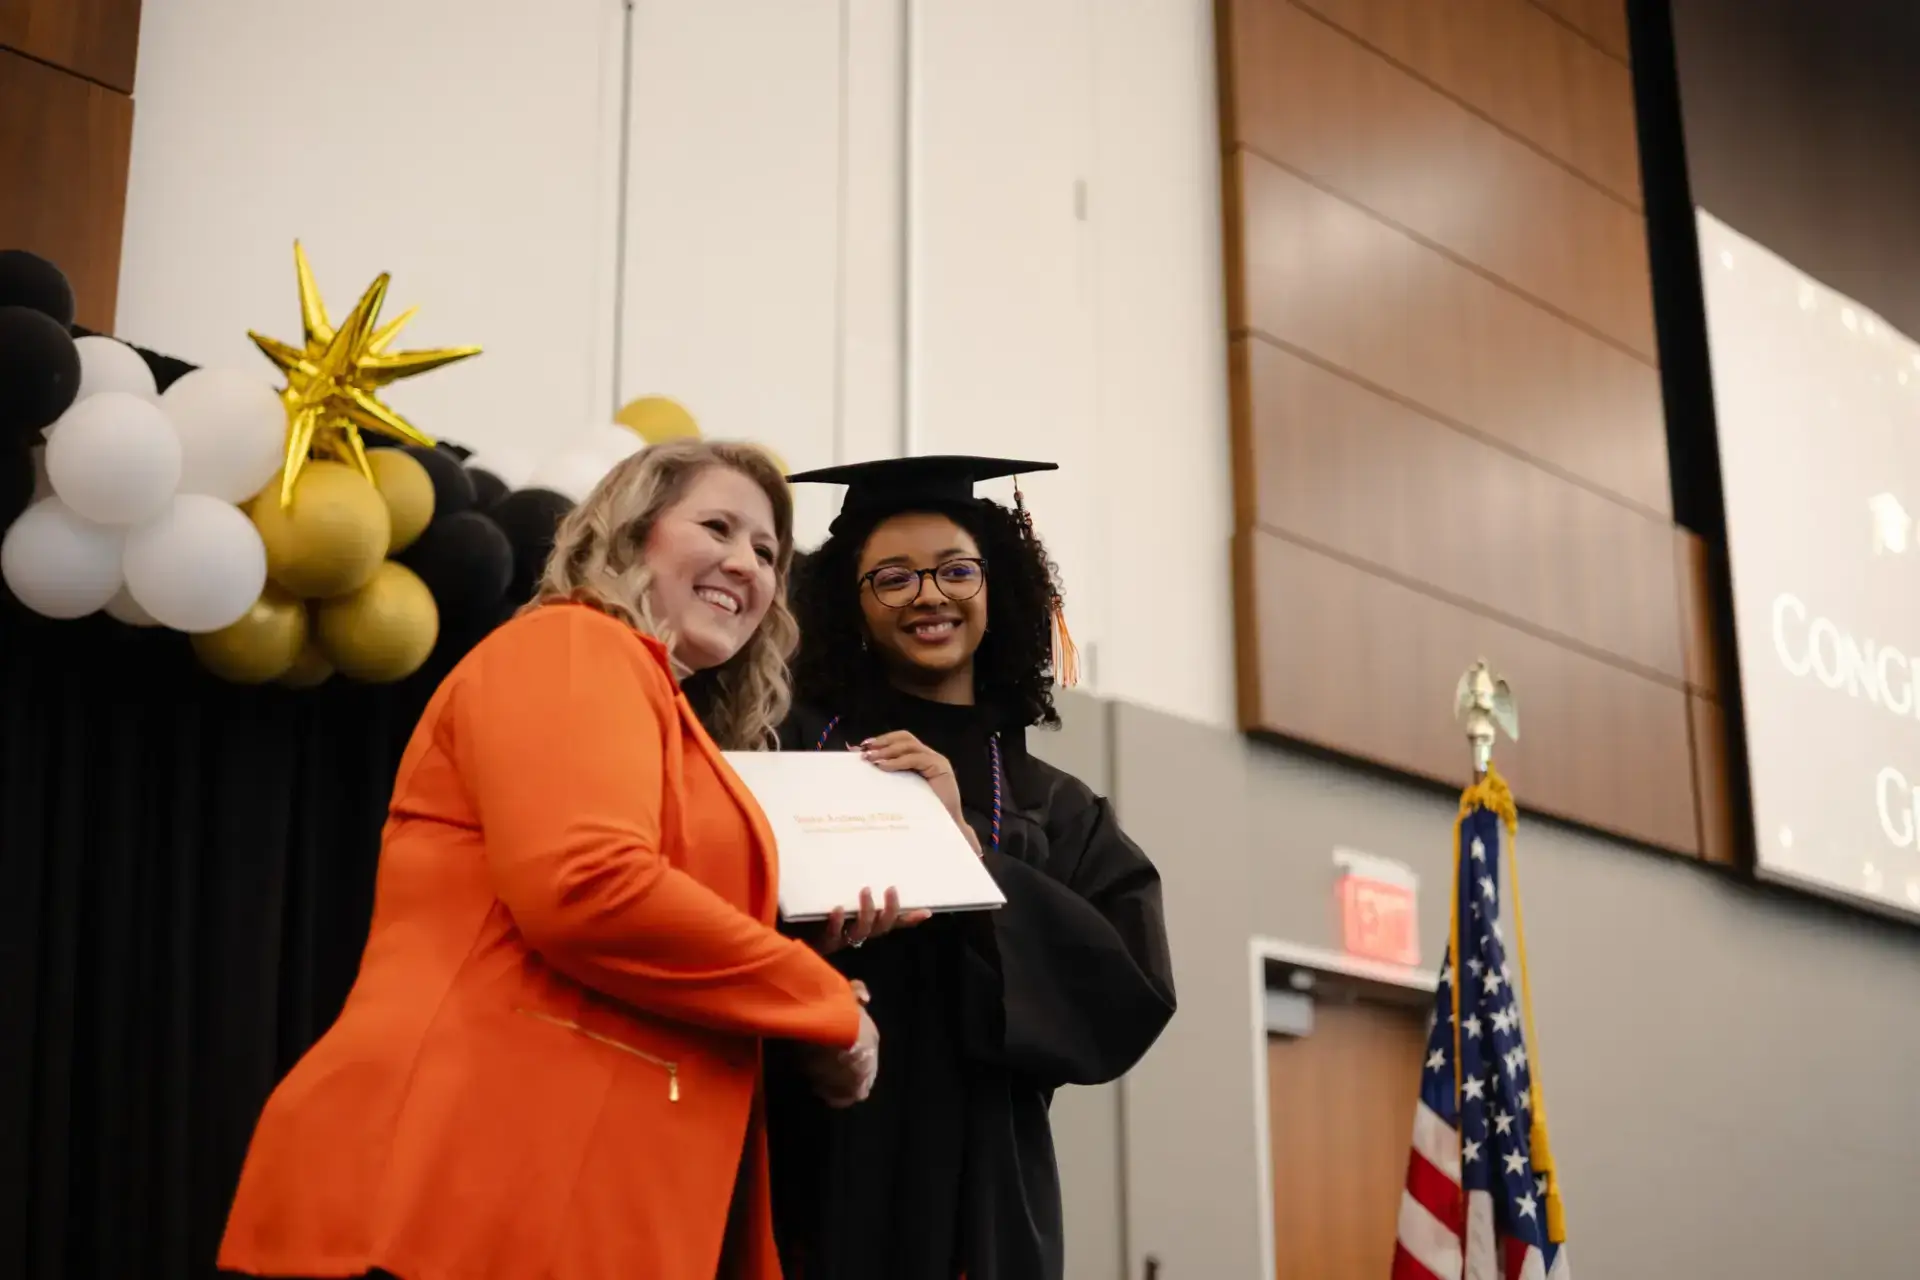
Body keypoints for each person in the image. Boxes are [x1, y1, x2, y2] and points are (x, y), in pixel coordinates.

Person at [218, 439, 881, 1280]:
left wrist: (808, 969)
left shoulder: (658, 709)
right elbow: (589, 888)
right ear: (630, 533)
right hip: (466, 1190)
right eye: (717, 526)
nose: (746, 564)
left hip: (573, 1200)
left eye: (767, 553)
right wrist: (820, 1001)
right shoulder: (575, 648)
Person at [767, 454, 1178, 1280]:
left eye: (956, 569)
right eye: (892, 578)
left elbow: (1130, 994)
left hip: (979, 1191)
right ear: (849, 602)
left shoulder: (1056, 806)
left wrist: (969, 855)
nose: (929, 595)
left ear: (999, 587)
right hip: (809, 1153)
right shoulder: (791, 750)